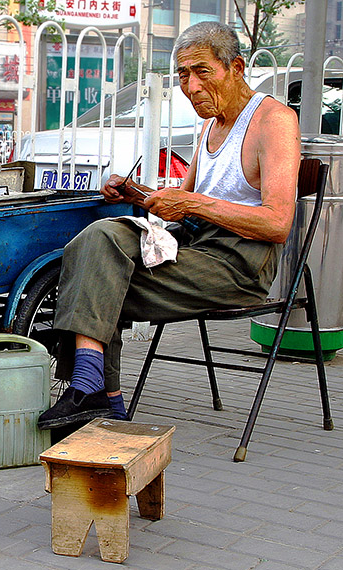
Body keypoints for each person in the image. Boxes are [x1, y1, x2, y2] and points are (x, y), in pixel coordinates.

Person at [38, 21, 301, 437]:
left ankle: (98, 396)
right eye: (183, 75)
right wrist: (135, 193)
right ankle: (97, 398)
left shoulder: (274, 121)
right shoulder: (210, 125)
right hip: (195, 245)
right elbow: (181, 206)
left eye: (202, 72)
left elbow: (277, 223)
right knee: (100, 240)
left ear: (235, 67)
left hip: (239, 265)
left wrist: (191, 203)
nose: (192, 86)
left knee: (99, 278)